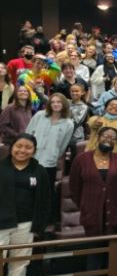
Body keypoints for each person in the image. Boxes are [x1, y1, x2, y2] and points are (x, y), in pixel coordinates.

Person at [69, 127, 117, 276]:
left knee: (112, 252)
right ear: (97, 137)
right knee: (94, 252)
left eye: (113, 138)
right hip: (92, 214)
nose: (109, 139)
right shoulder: (82, 159)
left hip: (115, 213)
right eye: (106, 136)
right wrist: (86, 205)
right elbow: (74, 188)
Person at [0, 134, 50, 276]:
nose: (22, 150)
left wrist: (38, 226)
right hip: (1, 224)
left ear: (34, 151)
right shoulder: (1, 167)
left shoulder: (39, 171)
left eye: (28, 147)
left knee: (19, 265)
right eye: (19, 146)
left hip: (26, 225)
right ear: (11, 147)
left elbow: (45, 200)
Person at [25, 92, 74, 220]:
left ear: (64, 104)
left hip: (49, 163)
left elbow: (63, 145)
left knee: (44, 193)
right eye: (53, 102)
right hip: (31, 160)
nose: (55, 104)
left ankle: (42, 221)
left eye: (59, 102)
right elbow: (28, 134)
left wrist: (54, 155)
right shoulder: (40, 115)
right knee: (28, 189)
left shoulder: (68, 123)